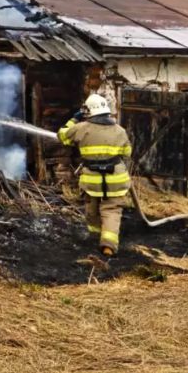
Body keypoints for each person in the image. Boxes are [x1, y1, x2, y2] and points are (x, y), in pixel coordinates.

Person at [58, 94, 132, 257]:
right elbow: (127, 152)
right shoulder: (120, 130)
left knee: (92, 210)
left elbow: (62, 135)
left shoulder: (81, 128)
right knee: (111, 210)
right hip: (116, 179)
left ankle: (94, 237)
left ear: (89, 111)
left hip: (92, 180)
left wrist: (74, 119)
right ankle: (108, 245)